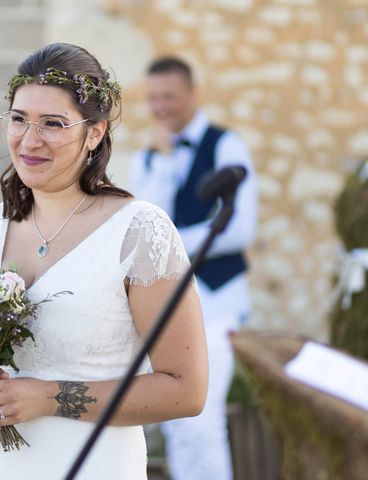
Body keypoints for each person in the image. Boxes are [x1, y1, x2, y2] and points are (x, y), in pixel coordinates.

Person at [0, 43, 209, 480]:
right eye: (19, 119)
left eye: (53, 124)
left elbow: (187, 391)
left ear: (96, 133)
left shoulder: (139, 232)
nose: (30, 139)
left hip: (92, 465)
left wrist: (49, 397)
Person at [130, 56, 258, 480]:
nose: (160, 106)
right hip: (166, 305)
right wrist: (163, 165)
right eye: (152, 98)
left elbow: (239, 229)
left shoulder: (226, 145)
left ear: (191, 94)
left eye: (168, 96)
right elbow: (145, 227)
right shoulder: (147, 158)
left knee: (202, 421)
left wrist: (174, 244)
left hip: (217, 303)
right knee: (175, 423)